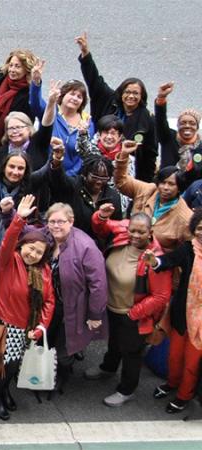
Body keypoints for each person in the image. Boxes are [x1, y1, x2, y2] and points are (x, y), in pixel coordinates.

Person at [86, 207, 171, 407]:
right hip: (111, 306)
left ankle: (127, 389)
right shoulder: (123, 232)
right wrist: (101, 214)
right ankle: (108, 368)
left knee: (131, 352)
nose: (135, 235)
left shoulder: (156, 259)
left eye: (141, 232)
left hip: (132, 314)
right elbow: (100, 225)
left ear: (151, 232)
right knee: (114, 341)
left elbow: (161, 296)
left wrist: (134, 313)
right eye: (132, 230)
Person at [0, 194, 55, 421]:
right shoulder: (9, 260)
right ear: (23, 245)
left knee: (14, 366)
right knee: (4, 366)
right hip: (7, 324)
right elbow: (7, 242)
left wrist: (41, 327)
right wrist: (18, 220)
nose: (32, 254)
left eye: (39, 252)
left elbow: (48, 301)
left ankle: (4, 391)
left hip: (29, 328)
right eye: (30, 248)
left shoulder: (44, 271)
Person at [76, 32, 157, 182]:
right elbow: (94, 79)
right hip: (96, 164)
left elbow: (150, 154)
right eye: (127, 92)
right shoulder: (108, 99)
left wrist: (145, 184)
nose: (131, 96)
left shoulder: (147, 119)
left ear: (142, 97)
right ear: (121, 92)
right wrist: (86, 54)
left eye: (136, 93)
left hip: (126, 172)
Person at [43, 202, 107, 392]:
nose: (56, 226)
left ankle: (62, 375)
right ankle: (43, 373)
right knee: (45, 341)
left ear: (71, 221)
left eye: (61, 221)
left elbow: (98, 283)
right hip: (48, 305)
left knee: (65, 349)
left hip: (72, 307)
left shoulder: (86, 246)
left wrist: (95, 314)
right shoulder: (47, 237)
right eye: (52, 221)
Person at [145, 208, 202, 413]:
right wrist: (155, 262)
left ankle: (183, 396)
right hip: (181, 314)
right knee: (175, 356)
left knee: (192, 363)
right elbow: (168, 261)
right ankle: (171, 383)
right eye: (199, 228)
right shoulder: (188, 249)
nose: (201, 233)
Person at [114, 140, 193, 251]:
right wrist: (124, 155)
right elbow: (121, 182)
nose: (165, 187)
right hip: (130, 250)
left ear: (179, 188)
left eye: (171, 184)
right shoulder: (147, 190)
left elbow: (190, 249)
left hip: (157, 263)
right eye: (162, 182)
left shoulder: (185, 217)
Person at [47, 143, 124, 241]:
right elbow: (58, 180)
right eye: (94, 177)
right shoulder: (73, 185)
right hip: (69, 241)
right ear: (85, 174)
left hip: (98, 248)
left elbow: (116, 228)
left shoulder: (113, 196)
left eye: (104, 178)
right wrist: (57, 161)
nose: (99, 182)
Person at [29, 61, 95, 176]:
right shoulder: (51, 111)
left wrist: (68, 176)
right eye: (72, 94)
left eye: (79, 97)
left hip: (71, 179)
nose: (75, 98)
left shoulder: (87, 123)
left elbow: (84, 155)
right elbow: (35, 103)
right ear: (62, 95)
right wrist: (36, 82)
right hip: (44, 172)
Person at [0, 80, 60, 171]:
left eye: (19, 127)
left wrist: (51, 103)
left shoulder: (39, 143)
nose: (15, 131)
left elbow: (47, 125)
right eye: (11, 128)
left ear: (29, 129)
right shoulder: (0, 153)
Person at [0, 49, 38, 147]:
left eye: (17, 66)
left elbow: (28, 123)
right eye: (11, 65)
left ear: (27, 69)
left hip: (9, 143)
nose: (12, 70)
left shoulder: (28, 94)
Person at [154, 82, 202, 173]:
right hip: (166, 185)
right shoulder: (168, 137)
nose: (187, 126)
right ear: (177, 125)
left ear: (197, 127)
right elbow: (160, 120)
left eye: (192, 123)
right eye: (183, 123)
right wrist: (161, 98)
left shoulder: (200, 146)